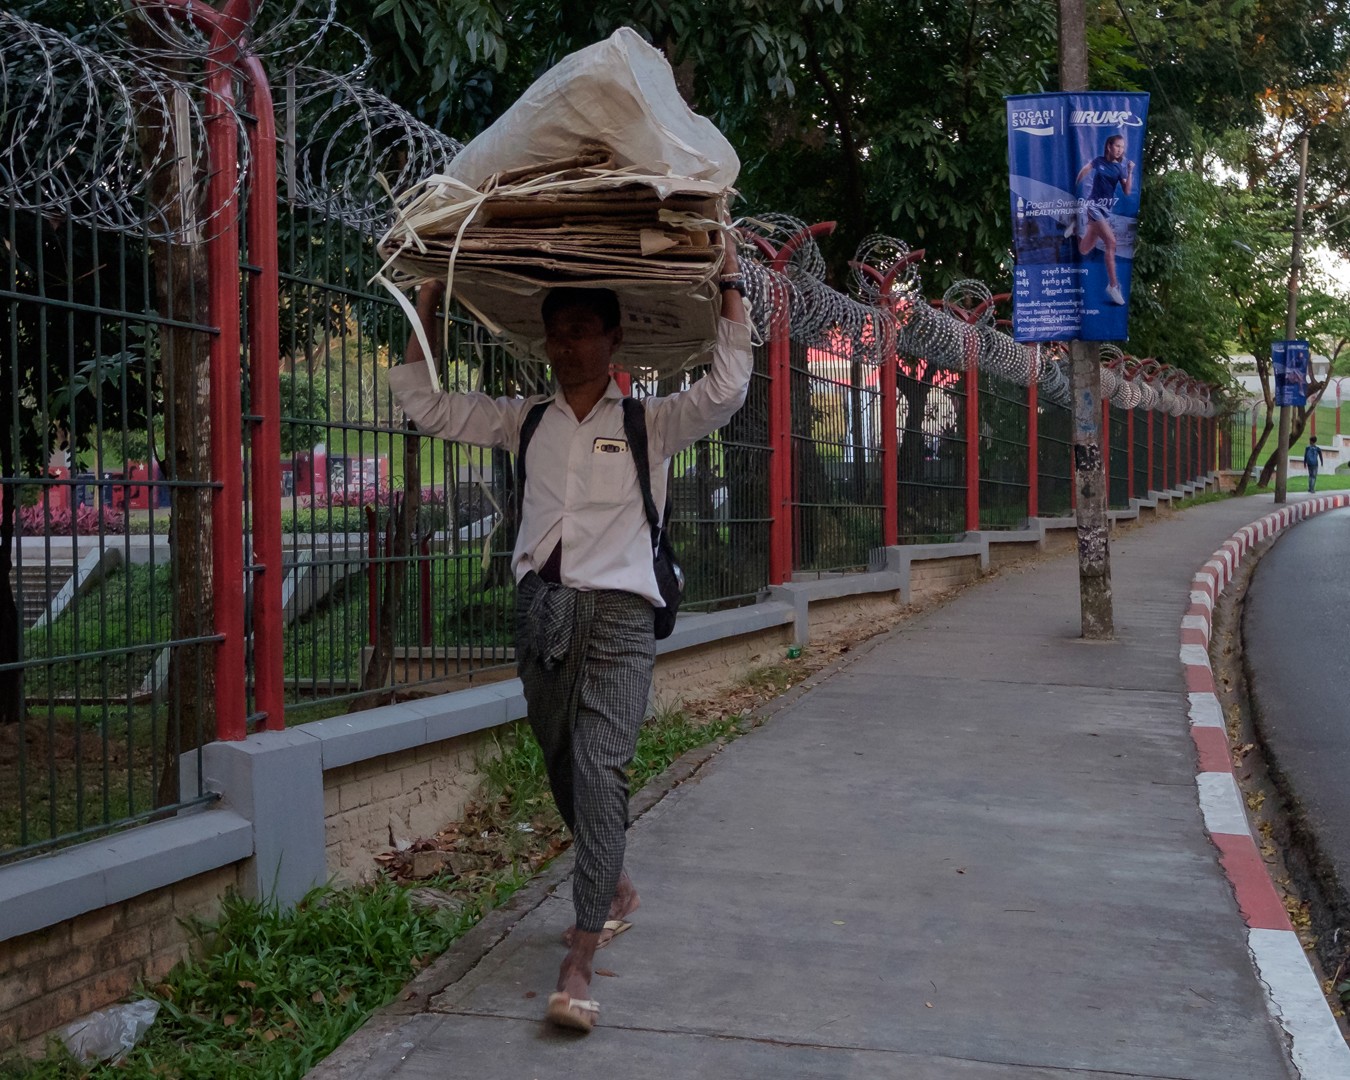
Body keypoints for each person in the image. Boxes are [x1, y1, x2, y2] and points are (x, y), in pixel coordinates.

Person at [387, 231, 751, 1034]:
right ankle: (613, 882)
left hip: (620, 616)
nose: (567, 345)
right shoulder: (524, 422)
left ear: (614, 337)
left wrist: (730, 281)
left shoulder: (651, 421)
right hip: (541, 613)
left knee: (601, 767)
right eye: (557, 332)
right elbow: (426, 403)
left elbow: (726, 388)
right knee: (560, 761)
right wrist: (430, 301)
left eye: (583, 330)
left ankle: (580, 954)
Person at [1070, 134, 1135, 306]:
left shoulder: (1120, 168)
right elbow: (1084, 171)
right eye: (1117, 146)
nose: (1120, 149)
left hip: (1105, 210)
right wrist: (1075, 187)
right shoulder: (1098, 161)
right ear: (1109, 146)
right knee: (1111, 242)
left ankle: (1076, 227)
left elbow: (1127, 191)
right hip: (1093, 207)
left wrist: (1129, 171)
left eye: (1122, 147)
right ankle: (1113, 285)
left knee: (1084, 249)